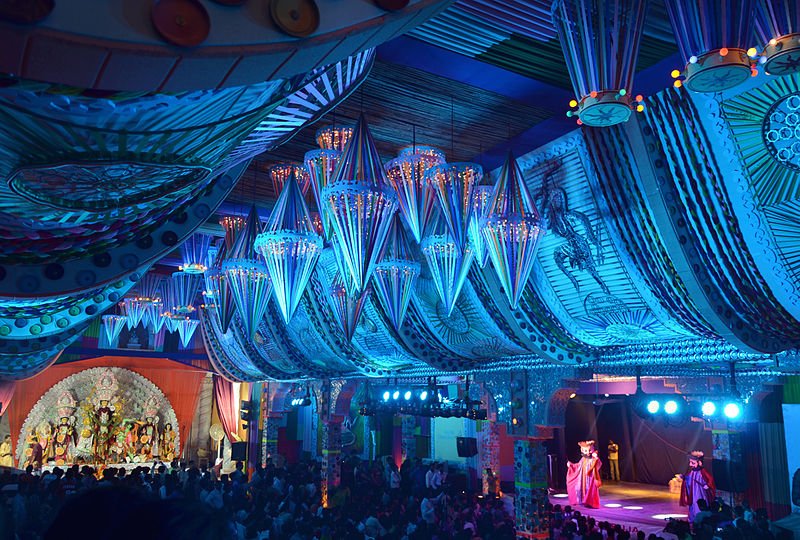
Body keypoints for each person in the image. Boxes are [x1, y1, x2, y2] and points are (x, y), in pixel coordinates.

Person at [680, 450, 716, 525]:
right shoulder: (692, 472)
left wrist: (708, 485)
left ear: (699, 463)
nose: (690, 465)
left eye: (693, 463)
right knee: (693, 503)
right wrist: (685, 478)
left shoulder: (703, 471)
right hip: (693, 492)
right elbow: (689, 479)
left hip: (701, 492)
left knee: (700, 502)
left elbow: (710, 479)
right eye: (690, 462)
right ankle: (694, 518)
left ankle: (701, 518)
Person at [566, 440, 602, 508]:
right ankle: (583, 500)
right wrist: (571, 465)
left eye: (589, 450)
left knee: (590, 489)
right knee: (582, 488)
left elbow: (598, 464)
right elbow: (578, 466)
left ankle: (590, 502)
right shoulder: (583, 459)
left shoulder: (593, 459)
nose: (587, 452)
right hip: (582, 477)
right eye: (584, 451)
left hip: (590, 477)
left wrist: (596, 458)